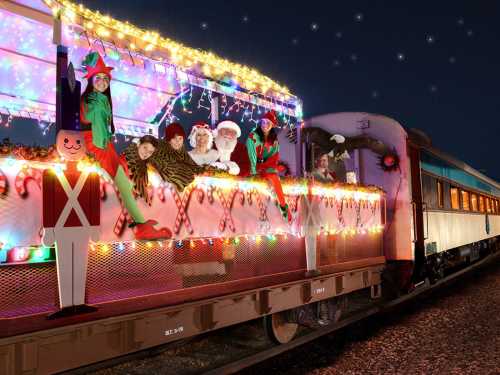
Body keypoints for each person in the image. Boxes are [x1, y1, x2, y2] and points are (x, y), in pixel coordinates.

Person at [79, 51, 171, 240]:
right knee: (116, 182)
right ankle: (138, 224)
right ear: (91, 80)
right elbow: (85, 119)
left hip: (106, 146)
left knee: (125, 184)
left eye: (106, 79)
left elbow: (105, 127)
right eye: (99, 78)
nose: (103, 82)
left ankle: (140, 224)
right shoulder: (88, 99)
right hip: (92, 145)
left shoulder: (104, 100)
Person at [246, 110, 291, 223]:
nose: (265, 125)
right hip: (252, 165)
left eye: (268, 123)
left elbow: (274, 156)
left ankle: (283, 206)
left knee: (275, 178)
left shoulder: (274, 141)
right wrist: (253, 170)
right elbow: (251, 154)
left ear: (272, 126)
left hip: (266, 166)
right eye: (263, 122)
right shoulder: (253, 137)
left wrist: (272, 168)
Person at [150, 122, 206, 191]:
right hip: (158, 189)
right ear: (168, 139)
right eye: (174, 138)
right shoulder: (160, 149)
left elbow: (192, 164)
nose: (178, 142)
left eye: (180, 138)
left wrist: (202, 170)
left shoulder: (181, 150)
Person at [121, 135, 159, 205]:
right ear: (138, 144)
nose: (146, 153)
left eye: (150, 152)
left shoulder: (143, 167)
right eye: (145, 148)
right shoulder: (124, 161)